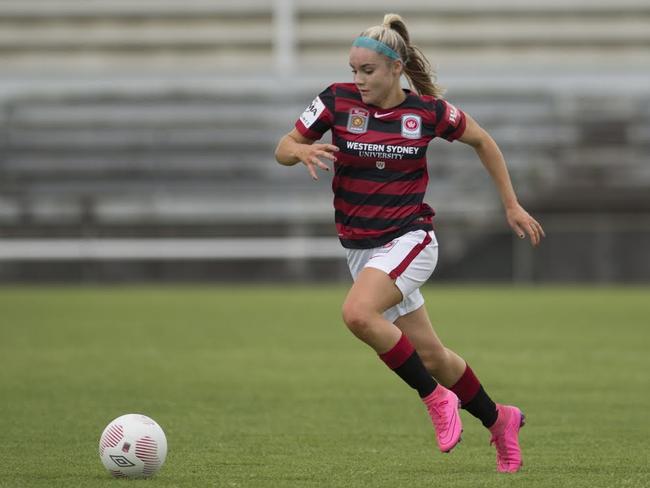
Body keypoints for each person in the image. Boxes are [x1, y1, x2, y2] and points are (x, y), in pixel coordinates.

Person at [274, 13, 545, 473]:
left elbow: (483, 141)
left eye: (368, 71)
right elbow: (284, 145)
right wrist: (299, 150)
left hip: (410, 238)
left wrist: (512, 205)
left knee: (357, 314)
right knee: (432, 355)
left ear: (396, 68)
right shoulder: (334, 100)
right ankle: (500, 421)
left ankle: (436, 399)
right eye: (354, 69)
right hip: (362, 250)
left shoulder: (428, 113)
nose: (358, 79)